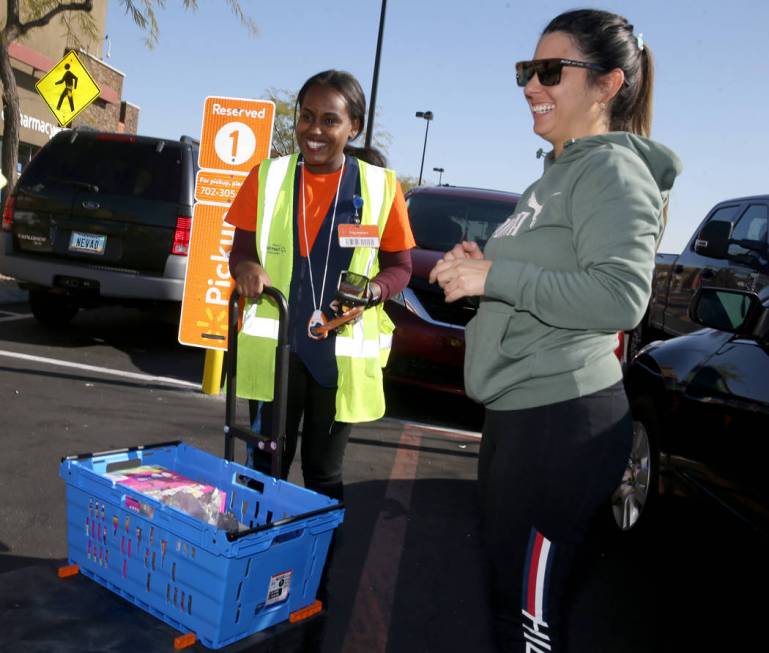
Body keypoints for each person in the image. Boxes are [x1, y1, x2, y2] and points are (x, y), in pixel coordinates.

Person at [429, 9, 681, 652]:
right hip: (522, 416)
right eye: (526, 71)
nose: (530, 86)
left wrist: (495, 280)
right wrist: (478, 268)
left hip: (563, 423)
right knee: (510, 603)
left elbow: (622, 297)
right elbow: (540, 279)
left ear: (606, 84)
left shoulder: (612, 172)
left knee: (530, 621)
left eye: (549, 70)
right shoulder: (555, 175)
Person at [226, 70, 415, 503]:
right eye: (306, 117)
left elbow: (400, 267)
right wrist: (247, 268)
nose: (314, 130)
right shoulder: (268, 177)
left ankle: (319, 567)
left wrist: (373, 291)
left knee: (322, 472)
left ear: (354, 128)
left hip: (338, 355)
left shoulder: (381, 187)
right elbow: (240, 250)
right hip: (277, 349)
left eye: (329, 120)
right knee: (265, 464)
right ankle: (256, 561)